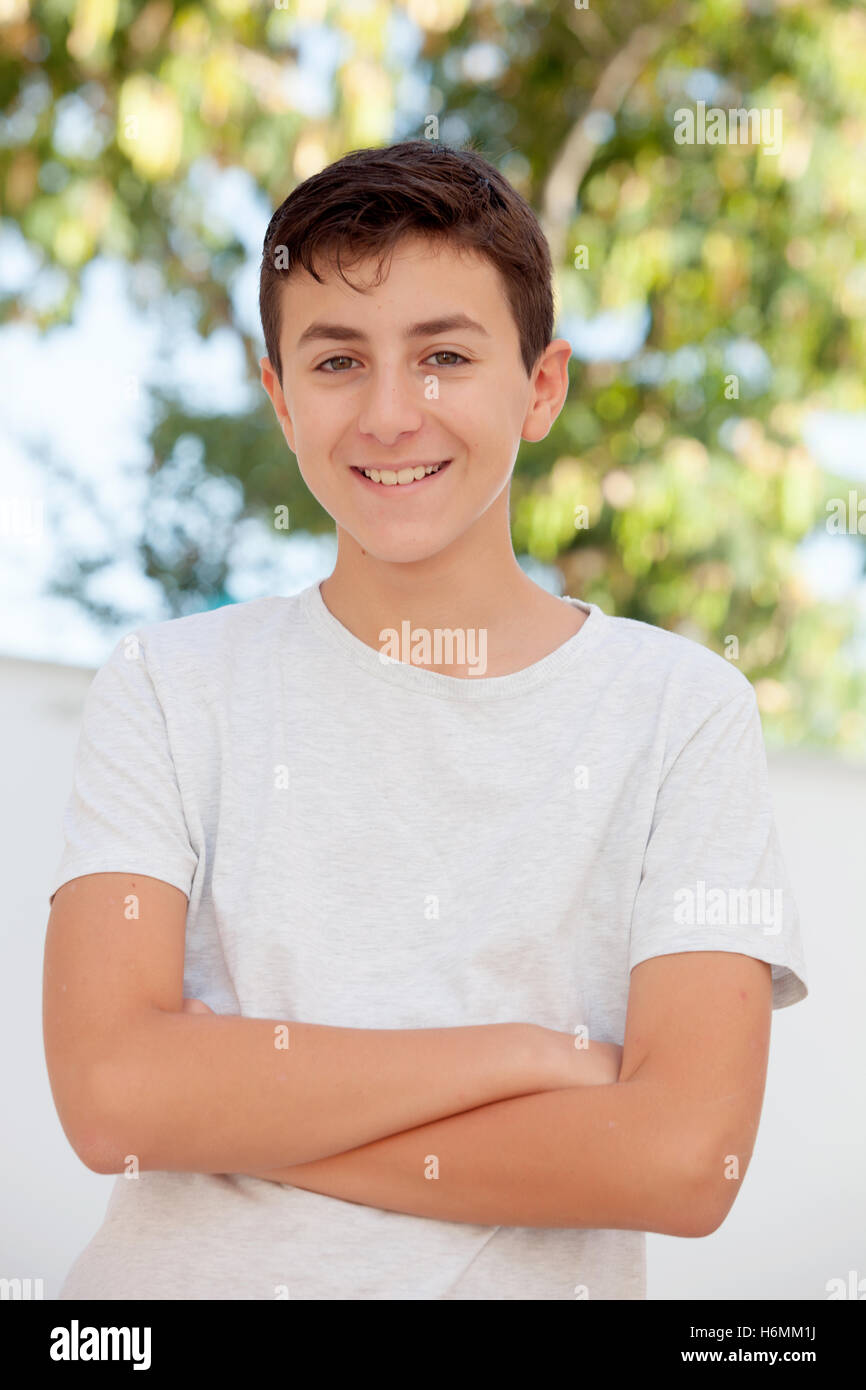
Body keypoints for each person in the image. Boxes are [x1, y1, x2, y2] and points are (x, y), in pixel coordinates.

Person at [43, 140, 808, 1301]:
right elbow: (111, 1098)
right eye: (338, 359)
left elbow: (683, 1156)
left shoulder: (680, 714)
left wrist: (233, 1110)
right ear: (280, 399)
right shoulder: (167, 683)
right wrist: (521, 1058)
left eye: (443, 355)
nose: (392, 413)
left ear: (540, 386)